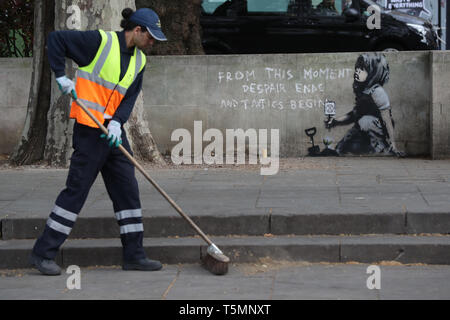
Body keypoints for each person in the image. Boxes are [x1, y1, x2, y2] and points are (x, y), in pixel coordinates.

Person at [29, 8, 167, 275]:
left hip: (113, 135)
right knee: (76, 192)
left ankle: (134, 256)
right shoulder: (99, 43)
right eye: (151, 37)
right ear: (136, 30)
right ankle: (42, 254)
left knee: (127, 191)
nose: (153, 43)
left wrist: (117, 123)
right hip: (90, 132)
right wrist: (60, 75)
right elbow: (56, 39)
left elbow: (129, 97)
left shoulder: (139, 61)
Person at [325, 53, 406, 157]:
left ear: (373, 72)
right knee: (341, 147)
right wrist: (335, 121)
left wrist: (393, 145)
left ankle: (383, 148)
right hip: (362, 126)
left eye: (362, 69)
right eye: (357, 68)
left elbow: (387, 120)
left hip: (377, 129)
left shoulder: (377, 92)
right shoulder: (364, 91)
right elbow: (354, 114)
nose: (357, 72)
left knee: (365, 121)